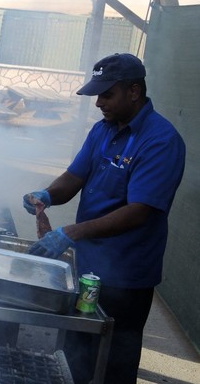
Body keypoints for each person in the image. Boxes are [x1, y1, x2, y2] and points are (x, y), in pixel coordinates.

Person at [22, 53, 185, 384]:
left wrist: (71, 232)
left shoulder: (161, 141)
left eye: (107, 94)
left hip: (126, 276)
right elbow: (75, 176)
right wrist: (48, 195)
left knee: (113, 362)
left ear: (134, 91)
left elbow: (139, 211)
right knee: (76, 350)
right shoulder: (102, 130)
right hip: (88, 267)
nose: (98, 103)